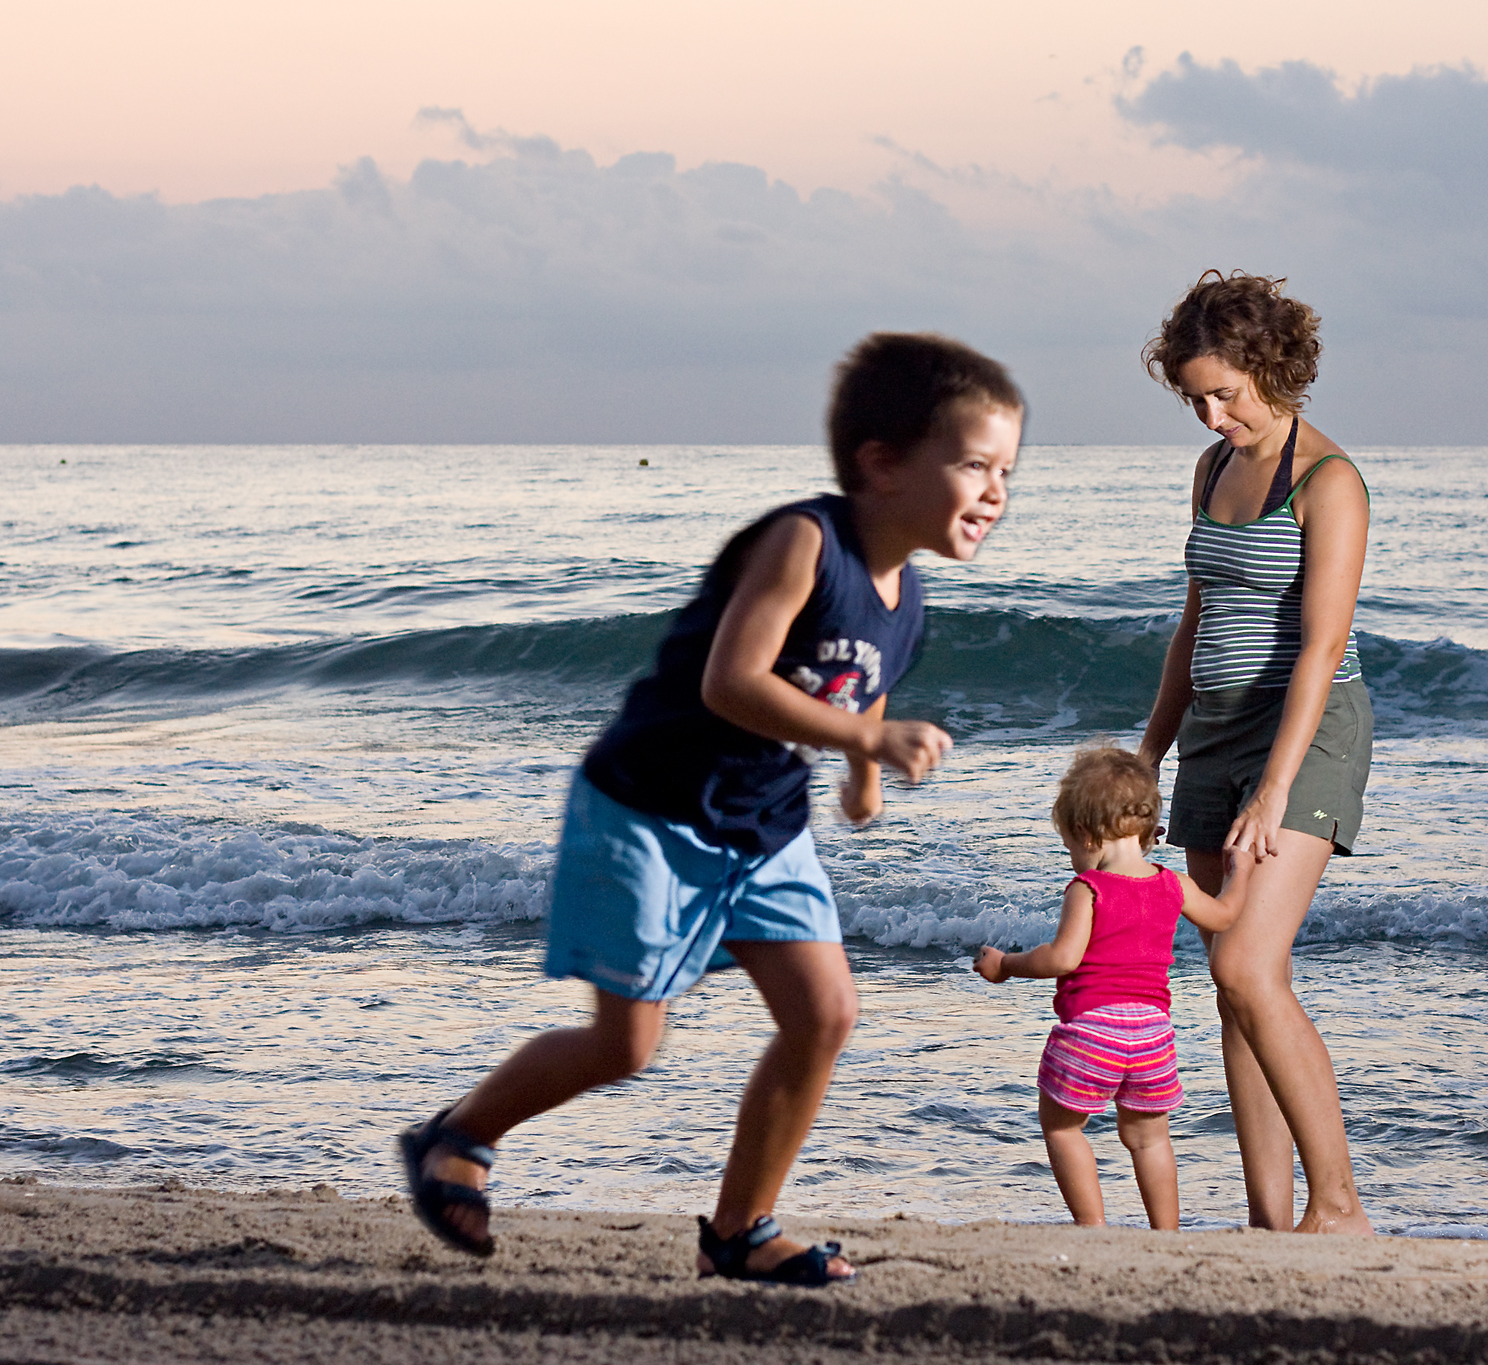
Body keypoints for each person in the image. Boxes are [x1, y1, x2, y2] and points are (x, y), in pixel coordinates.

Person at [397, 333, 1024, 1284]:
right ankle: (458, 1134)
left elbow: (865, 681)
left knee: (824, 1013)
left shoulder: (910, 595)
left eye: (1007, 471)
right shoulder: (801, 541)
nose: (995, 491)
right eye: (974, 463)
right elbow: (733, 682)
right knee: (626, 1043)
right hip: (649, 809)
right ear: (883, 462)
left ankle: (738, 1229)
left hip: (763, 827)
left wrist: (862, 769)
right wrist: (864, 743)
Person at [1134, 271, 1376, 1235]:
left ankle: (1342, 1207)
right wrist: (1150, 751)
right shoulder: (1209, 469)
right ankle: (1272, 1223)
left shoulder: (1329, 481)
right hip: (1215, 730)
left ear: (1271, 367)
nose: (1210, 411)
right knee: (1230, 986)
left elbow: (1321, 648)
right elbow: (1195, 623)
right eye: (1195, 396)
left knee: (1249, 969)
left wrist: (1274, 789)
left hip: (1306, 734)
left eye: (1225, 392)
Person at [974, 746, 1246, 1230]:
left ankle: (1093, 1227)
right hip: (1153, 1035)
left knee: (1061, 1127)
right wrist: (1238, 873)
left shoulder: (1089, 889)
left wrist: (1007, 965)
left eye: (1071, 848)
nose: (1074, 860)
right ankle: (1166, 1235)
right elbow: (1225, 916)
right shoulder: (1173, 884)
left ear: (1087, 834)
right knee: (1149, 1138)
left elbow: (1063, 958)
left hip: (1091, 1032)